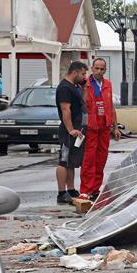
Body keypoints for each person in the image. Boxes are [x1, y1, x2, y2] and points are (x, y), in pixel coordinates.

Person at [79, 58, 119, 201]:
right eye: (96, 68)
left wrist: (115, 127)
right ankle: (85, 190)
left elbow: (111, 107)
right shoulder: (86, 84)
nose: (99, 71)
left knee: (101, 158)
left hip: (104, 127)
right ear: (92, 68)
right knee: (89, 159)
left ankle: (95, 188)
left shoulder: (108, 84)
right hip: (91, 126)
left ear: (105, 70)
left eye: (102, 69)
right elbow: (82, 103)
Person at [55, 61, 88, 204]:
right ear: (75, 72)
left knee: (72, 161)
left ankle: (71, 189)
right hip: (69, 130)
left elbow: (82, 103)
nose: (84, 77)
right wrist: (70, 130)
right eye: (83, 74)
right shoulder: (64, 88)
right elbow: (65, 110)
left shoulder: (74, 87)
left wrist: (84, 88)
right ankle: (61, 192)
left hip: (77, 128)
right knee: (64, 161)